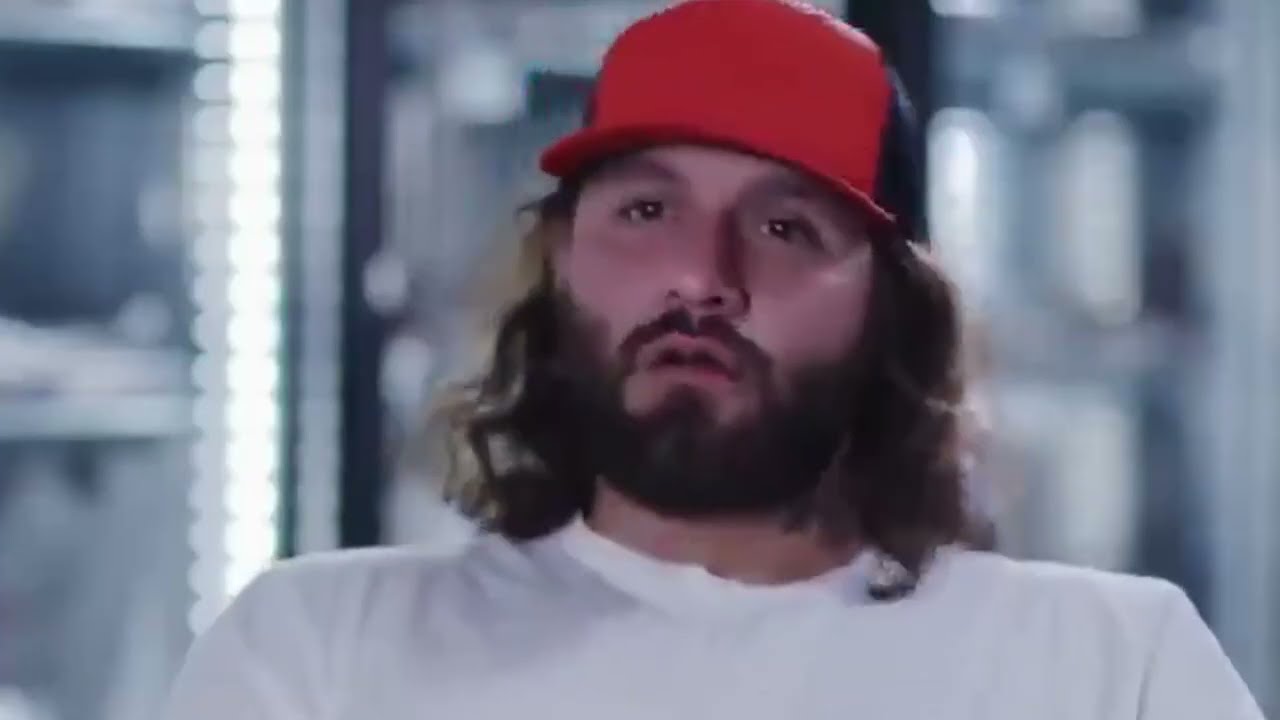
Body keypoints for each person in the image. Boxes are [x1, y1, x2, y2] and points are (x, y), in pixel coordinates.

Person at [163, 1, 1265, 718]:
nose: (702, 276)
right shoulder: (320, 650)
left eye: (786, 228)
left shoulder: (1110, 666)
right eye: (647, 211)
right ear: (558, 262)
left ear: (894, 310)